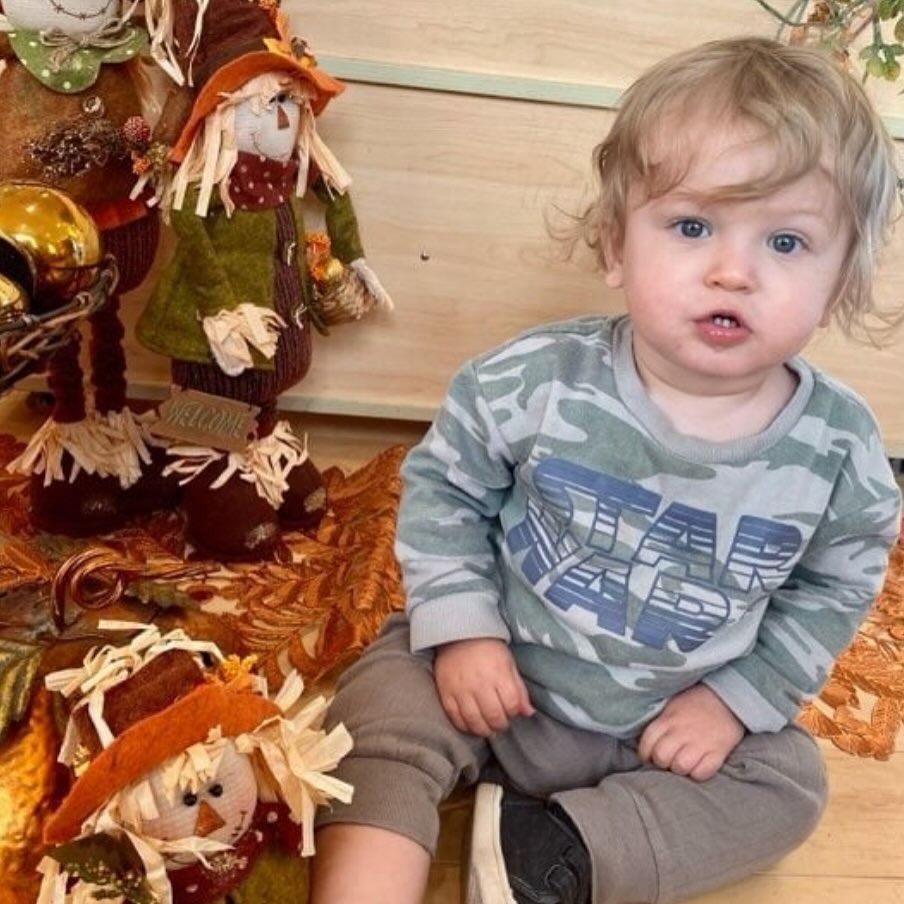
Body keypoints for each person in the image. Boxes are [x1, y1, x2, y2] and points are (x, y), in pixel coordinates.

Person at [309, 36, 903, 904]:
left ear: (840, 279)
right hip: (495, 674)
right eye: (692, 227)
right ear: (616, 245)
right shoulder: (532, 380)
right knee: (379, 704)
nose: (733, 272)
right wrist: (465, 631)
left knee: (790, 786)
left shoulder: (841, 454)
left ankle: (551, 855)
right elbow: (444, 492)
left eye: (786, 241)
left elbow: (832, 590)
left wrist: (735, 701)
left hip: (664, 724)